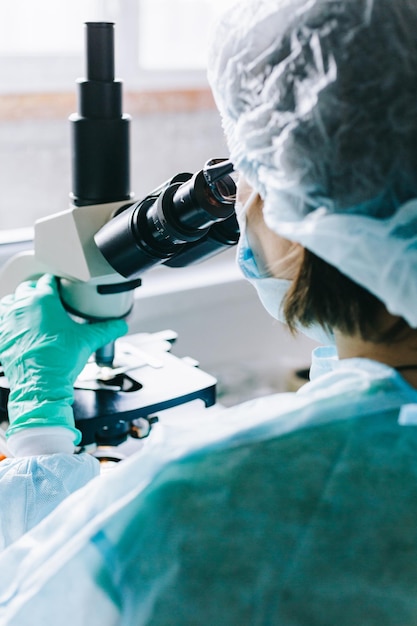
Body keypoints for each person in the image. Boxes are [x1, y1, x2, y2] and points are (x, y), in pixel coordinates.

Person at [1, 0, 417, 623]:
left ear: (306, 216)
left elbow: (41, 596)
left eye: (248, 175)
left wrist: (38, 432)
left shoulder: (203, 498)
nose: (237, 204)